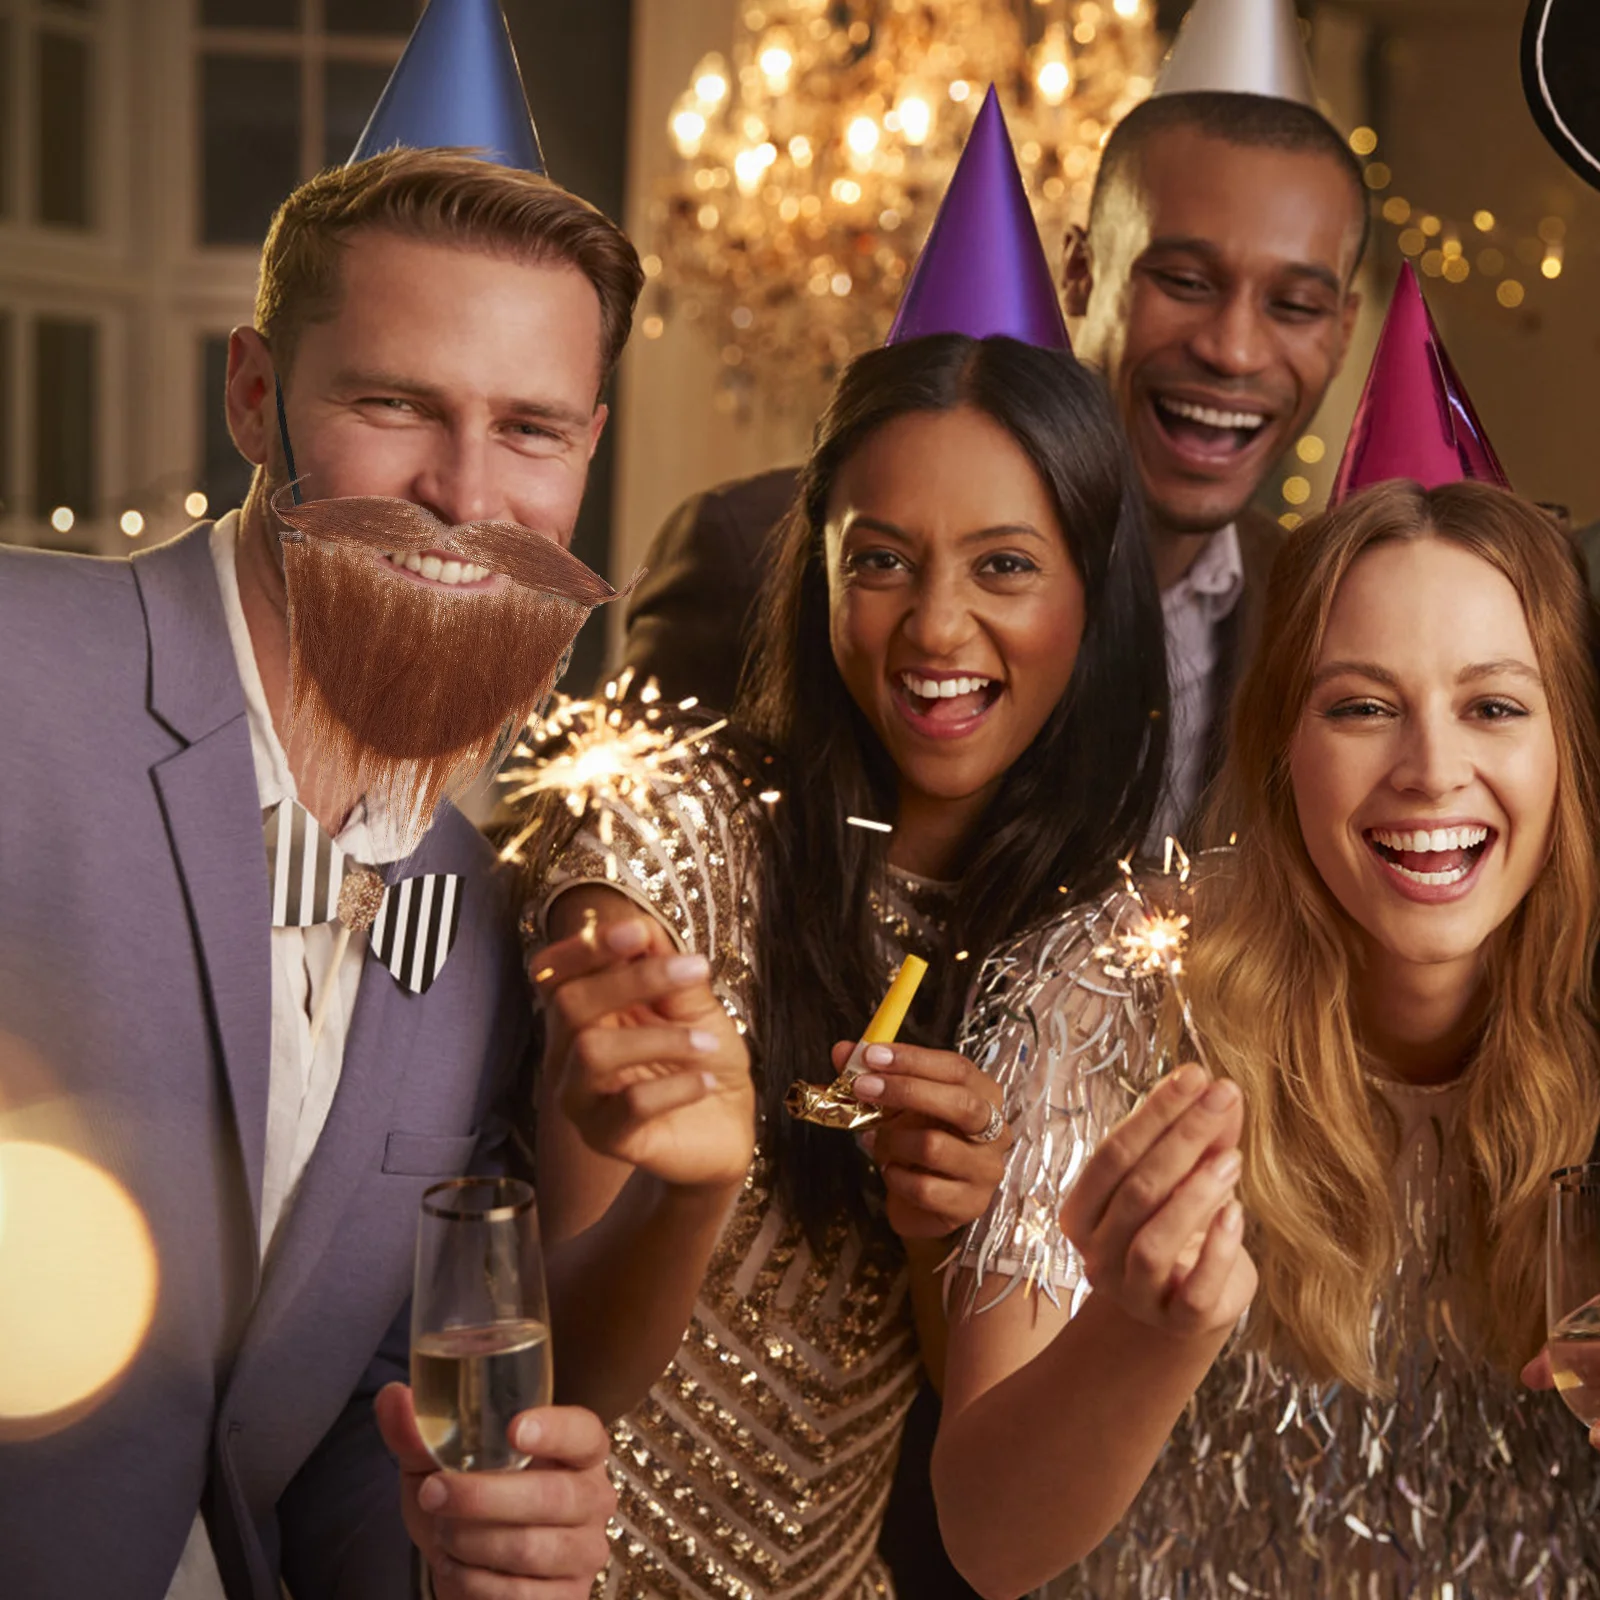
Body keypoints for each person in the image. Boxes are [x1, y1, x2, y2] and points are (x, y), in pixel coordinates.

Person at [0, 76, 637, 1600]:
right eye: (396, 404)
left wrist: (458, 1555)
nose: (465, 496)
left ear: (589, 448)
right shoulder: (17, 673)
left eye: (530, 429)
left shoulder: (472, 914)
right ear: (252, 395)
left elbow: (338, 1424)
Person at [517, 306, 1171, 1597]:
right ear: (815, 567)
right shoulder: (664, 842)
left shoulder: (1090, 951)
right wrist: (685, 1192)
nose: (936, 629)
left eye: (1004, 566)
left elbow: (984, 1475)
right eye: (881, 560)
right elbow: (564, 1371)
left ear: (1094, 594)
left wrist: (939, 1234)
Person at [932, 478, 1600, 1599]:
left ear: (1569, 745)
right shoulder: (1119, 987)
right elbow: (988, 1544)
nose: (1431, 769)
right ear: (1281, 742)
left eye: (1492, 706)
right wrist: (1145, 1332)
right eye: (1362, 707)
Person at [619, 11, 1365, 847]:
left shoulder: (1318, 614)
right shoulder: (745, 552)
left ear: (1343, 329)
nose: (1233, 350)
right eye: (1185, 282)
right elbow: (608, 845)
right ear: (1081, 271)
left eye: (1294, 305)